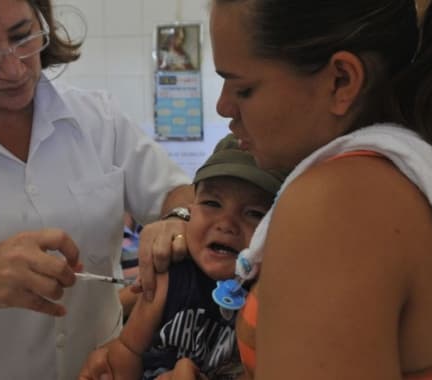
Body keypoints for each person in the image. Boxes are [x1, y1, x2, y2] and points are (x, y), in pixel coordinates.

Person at [0, 1, 193, 379]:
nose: (14, 68)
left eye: (22, 35)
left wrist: (177, 219)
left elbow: (181, 196)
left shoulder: (98, 119)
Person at [209, 0, 432, 379]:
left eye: (243, 88)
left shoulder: (337, 205)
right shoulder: (397, 176)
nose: (224, 107)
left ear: (341, 81)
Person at [79, 133, 287, 380]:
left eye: (253, 213)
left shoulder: (269, 297)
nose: (226, 224)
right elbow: (127, 349)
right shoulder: (169, 278)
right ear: (188, 213)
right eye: (212, 203)